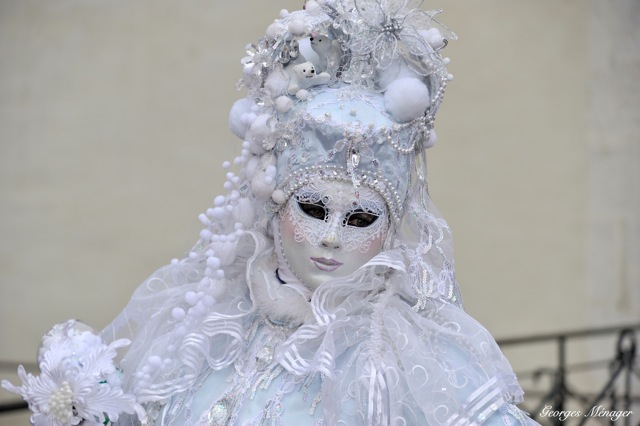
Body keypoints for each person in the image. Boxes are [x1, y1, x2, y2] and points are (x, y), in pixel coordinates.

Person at [3, 1, 538, 424]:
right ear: (274, 202)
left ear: (392, 229)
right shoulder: (210, 325)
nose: (330, 238)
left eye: (360, 219)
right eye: (313, 208)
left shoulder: (404, 357)